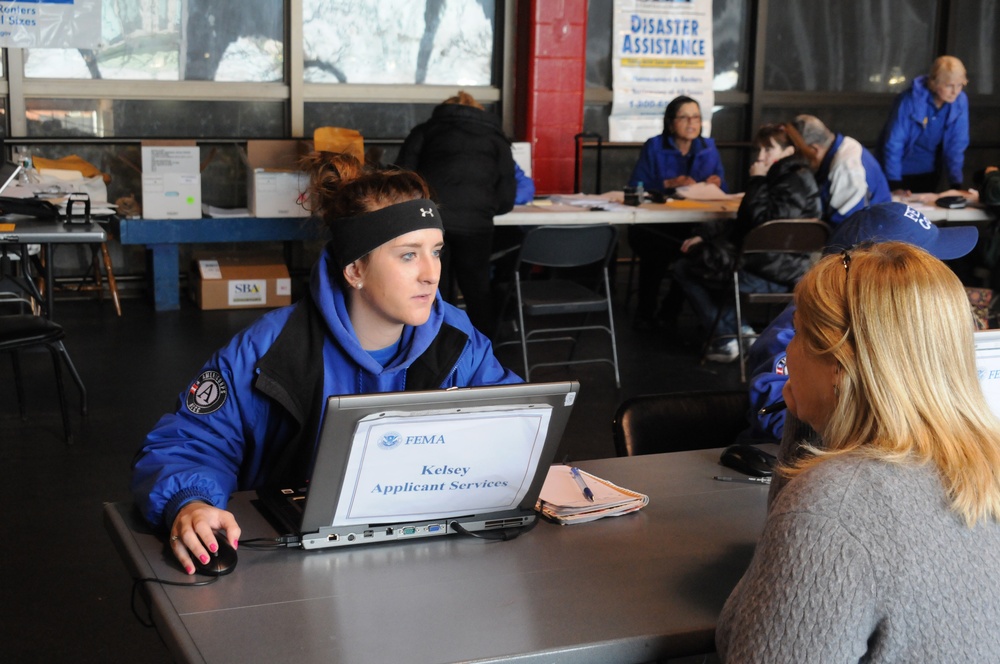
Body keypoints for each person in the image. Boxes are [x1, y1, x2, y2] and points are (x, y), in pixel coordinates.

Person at [131, 153, 521, 574]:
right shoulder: (269, 349)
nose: (432, 273)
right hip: (293, 566)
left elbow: (514, 429)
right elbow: (189, 440)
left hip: (430, 557)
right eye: (408, 255)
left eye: (436, 251)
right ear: (355, 270)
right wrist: (191, 503)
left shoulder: (459, 342)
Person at [716, 241, 1000, 662]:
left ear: (838, 365)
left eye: (798, 334)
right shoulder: (982, 465)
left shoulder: (832, 508)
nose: (787, 353)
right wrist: (811, 416)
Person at [746, 201, 978, 443]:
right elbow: (775, 411)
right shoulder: (803, 324)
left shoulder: (901, 324)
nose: (939, 277)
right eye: (922, 269)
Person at [670, 123, 821, 362]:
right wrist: (707, 236)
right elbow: (751, 224)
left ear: (789, 151)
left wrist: (757, 181)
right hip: (787, 269)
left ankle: (728, 337)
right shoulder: (795, 177)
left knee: (685, 267)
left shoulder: (786, 181)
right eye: (759, 150)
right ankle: (742, 333)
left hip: (769, 272)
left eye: (768, 150)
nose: (760, 157)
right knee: (705, 260)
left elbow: (763, 225)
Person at [396, 91, 517, 337]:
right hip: (476, 226)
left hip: (431, 222)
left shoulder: (426, 131)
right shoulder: (497, 140)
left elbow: (402, 181)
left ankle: (431, 348)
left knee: (433, 288)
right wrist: (484, 208)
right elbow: (507, 197)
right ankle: (483, 353)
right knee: (477, 291)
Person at [626, 95, 727, 332]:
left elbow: (725, 190)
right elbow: (636, 184)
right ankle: (645, 313)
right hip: (656, 223)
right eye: (684, 117)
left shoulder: (708, 148)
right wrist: (668, 183)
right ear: (671, 123)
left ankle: (670, 312)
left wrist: (716, 183)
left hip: (694, 223)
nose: (691, 123)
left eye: (696, 117)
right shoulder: (655, 145)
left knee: (696, 252)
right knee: (655, 252)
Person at [878, 55, 970, 195]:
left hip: (930, 173)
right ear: (934, 82)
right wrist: (894, 183)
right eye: (949, 85)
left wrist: (955, 183)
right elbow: (894, 143)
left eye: (960, 85)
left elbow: (957, 144)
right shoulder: (909, 100)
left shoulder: (960, 101)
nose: (955, 92)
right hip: (898, 173)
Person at [791, 114, 891, 224]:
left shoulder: (847, 168)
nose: (796, 159)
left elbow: (847, 226)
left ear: (814, 149)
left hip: (871, 233)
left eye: (798, 154)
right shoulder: (842, 145)